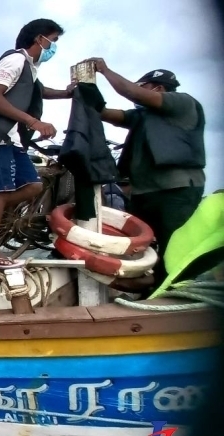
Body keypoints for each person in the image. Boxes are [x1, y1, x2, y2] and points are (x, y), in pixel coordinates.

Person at [0, 18, 75, 270]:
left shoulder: (30, 68)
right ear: (39, 39)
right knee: (0, 191)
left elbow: (38, 91)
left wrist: (68, 93)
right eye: (53, 42)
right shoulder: (14, 60)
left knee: (33, 185)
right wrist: (34, 121)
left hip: (11, 138)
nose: (53, 48)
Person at [84, 61, 206, 288]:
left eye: (144, 86)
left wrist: (104, 70)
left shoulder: (183, 103)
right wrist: (83, 95)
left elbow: (131, 91)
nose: (138, 92)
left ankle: (177, 292)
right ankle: (154, 288)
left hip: (175, 190)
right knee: (144, 246)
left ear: (158, 88)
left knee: (175, 245)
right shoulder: (144, 116)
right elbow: (108, 114)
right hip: (144, 192)